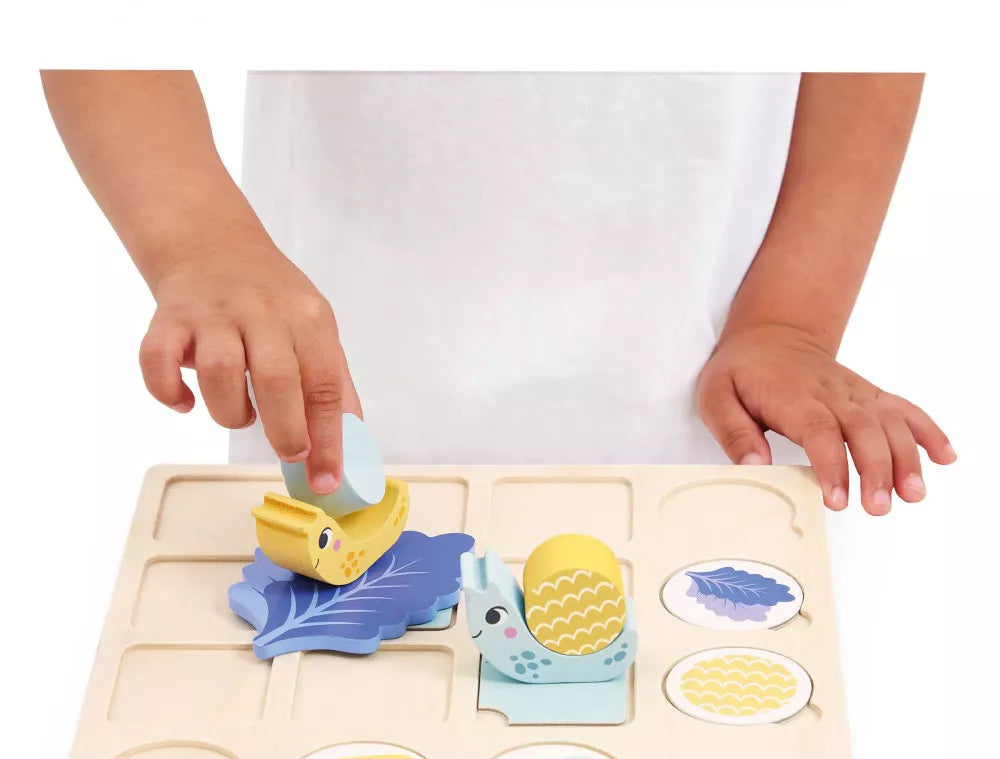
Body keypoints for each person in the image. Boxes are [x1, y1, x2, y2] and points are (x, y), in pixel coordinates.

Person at [42, 70, 955, 515]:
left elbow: (868, 44)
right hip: (341, 430)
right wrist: (202, 242)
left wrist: (790, 319)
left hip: (711, 444)